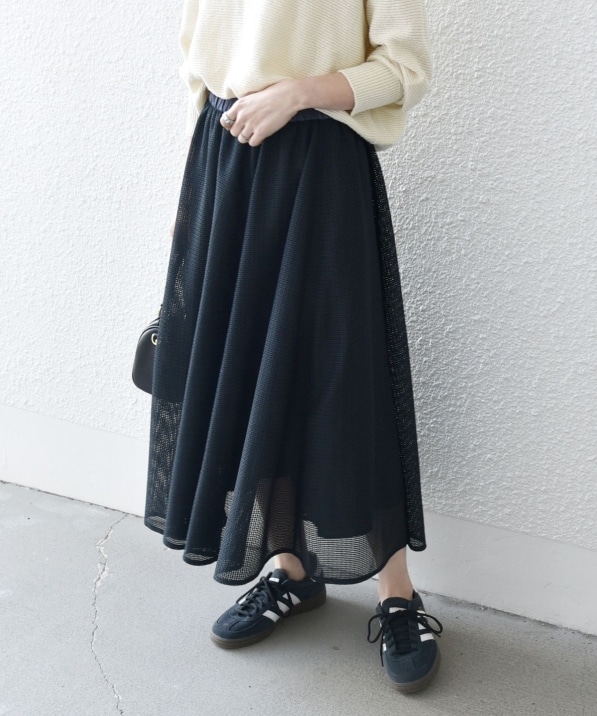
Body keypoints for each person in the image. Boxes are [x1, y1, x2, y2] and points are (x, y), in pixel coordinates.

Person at [144, 0, 443, 694]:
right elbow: (199, 65)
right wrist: (191, 193)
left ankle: (397, 594)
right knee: (251, 373)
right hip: (224, 165)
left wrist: (300, 92)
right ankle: (290, 568)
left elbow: (405, 68)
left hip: (319, 164)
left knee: (344, 377)